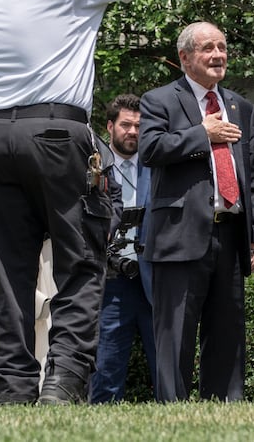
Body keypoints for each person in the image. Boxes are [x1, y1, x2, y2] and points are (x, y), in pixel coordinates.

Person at [0, 0, 243, 405]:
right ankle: (62, 383)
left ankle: (12, 391)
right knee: (81, 260)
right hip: (57, 132)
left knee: (3, 271)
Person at [139, 21, 254, 402]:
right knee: (175, 334)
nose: (218, 56)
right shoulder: (159, 100)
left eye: (222, 47)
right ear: (185, 58)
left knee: (227, 331)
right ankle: (173, 411)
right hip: (179, 234)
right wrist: (202, 134)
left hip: (230, 233)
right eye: (208, 48)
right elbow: (150, 149)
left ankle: (225, 409)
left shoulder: (239, 107)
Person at [90, 94, 157, 403]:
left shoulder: (157, 166)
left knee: (166, 368)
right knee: (105, 370)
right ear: (110, 126)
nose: (133, 132)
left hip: (155, 279)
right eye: (126, 125)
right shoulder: (93, 168)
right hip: (112, 282)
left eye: (139, 126)